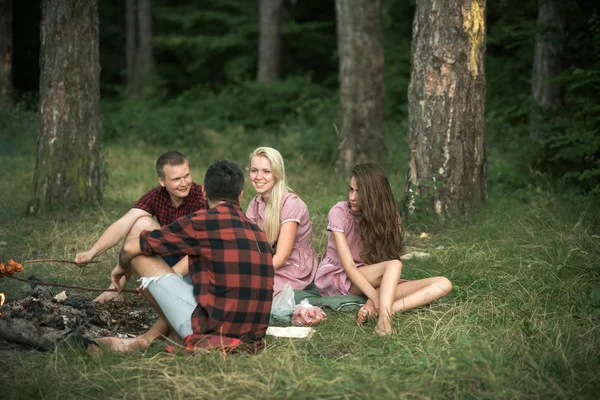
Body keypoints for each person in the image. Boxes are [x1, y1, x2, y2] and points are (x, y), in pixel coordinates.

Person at [95, 159, 274, 353]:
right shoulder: (258, 233)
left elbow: (131, 248)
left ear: (204, 191)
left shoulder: (202, 221)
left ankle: (176, 336)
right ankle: (155, 336)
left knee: (139, 258)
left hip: (211, 332)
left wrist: (122, 266)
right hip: (252, 338)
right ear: (240, 196)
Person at [314, 163, 452, 335]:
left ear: (374, 195)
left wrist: (374, 302)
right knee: (393, 266)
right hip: (339, 276)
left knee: (443, 284)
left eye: (359, 192)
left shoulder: (390, 217)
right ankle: (383, 321)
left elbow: (384, 260)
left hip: (371, 276)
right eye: (351, 190)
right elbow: (349, 266)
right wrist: (376, 298)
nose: (352, 197)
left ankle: (387, 309)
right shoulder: (339, 212)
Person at [75, 151, 207, 303]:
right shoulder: (157, 195)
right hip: (169, 256)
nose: (184, 183)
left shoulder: (201, 198)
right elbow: (123, 223)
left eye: (186, 176)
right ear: (162, 181)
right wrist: (91, 253)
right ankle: (115, 289)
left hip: (193, 268)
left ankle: (167, 289)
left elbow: (200, 249)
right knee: (140, 223)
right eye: (176, 179)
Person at [246, 147, 318, 296]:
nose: (259, 176)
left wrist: (252, 274)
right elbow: (249, 245)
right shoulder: (255, 204)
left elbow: (282, 257)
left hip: (293, 266)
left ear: (277, 173)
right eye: (254, 170)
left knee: (253, 291)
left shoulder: (291, 203)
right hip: (269, 261)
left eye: (266, 171)